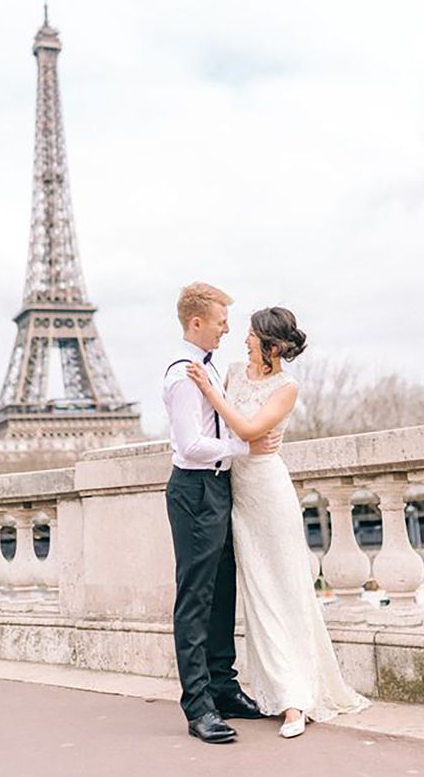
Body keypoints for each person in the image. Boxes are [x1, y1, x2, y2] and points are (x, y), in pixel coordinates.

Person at [185, 305, 371, 738]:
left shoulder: (285, 387)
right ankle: (273, 689)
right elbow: (230, 432)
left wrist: (215, 398)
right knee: (258, 597)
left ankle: (295, 701)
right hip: (236, 495)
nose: (243, 339)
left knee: (286, 592)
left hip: (268, 495)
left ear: (270, 343)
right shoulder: (231, 371)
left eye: (251, 334)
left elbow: (249, 432)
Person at [163, 282, 283, 744]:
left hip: (217, 486)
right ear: (197, 323)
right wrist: (244, 446)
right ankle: (198, 707)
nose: (227, 329)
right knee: (195, 598)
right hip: (195, 489)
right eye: (219, 322)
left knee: (222, 592)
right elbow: (190, 446)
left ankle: (223, 687)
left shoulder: (207, 371)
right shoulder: (182, 376)